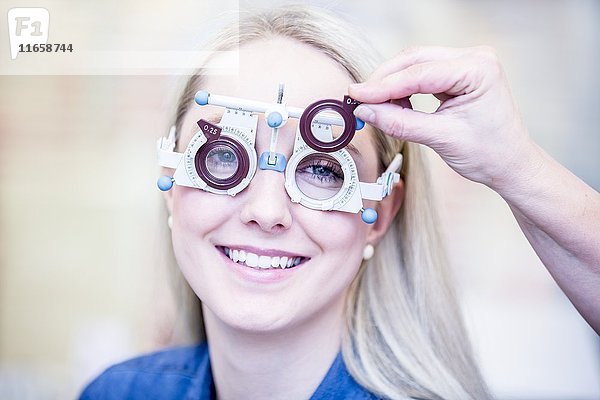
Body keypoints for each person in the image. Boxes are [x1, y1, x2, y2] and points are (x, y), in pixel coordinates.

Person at [79, 5, 599, 400]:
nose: (266, 210)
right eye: (220, 156)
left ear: (382, 215)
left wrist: (518, 166)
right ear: (170, 172)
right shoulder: (119, 392)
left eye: (322, 169)